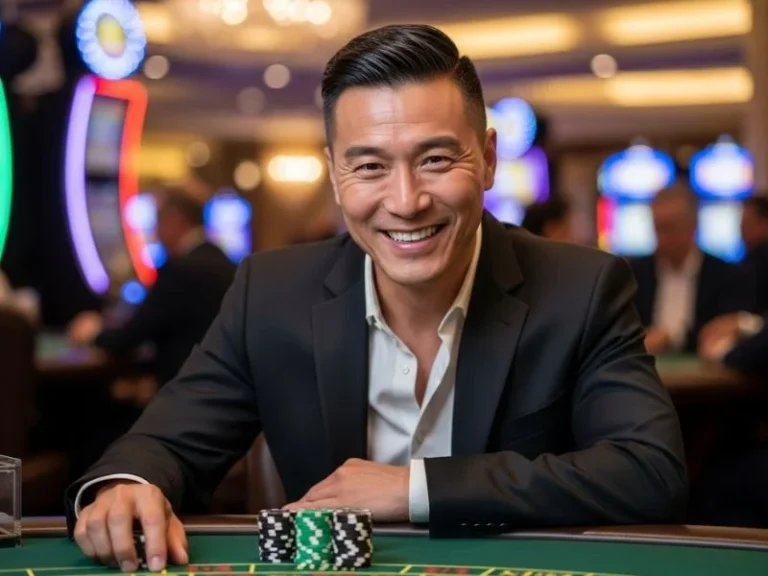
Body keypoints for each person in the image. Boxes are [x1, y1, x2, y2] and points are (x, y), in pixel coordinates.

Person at [66, 24, 687, 573]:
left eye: (436, 159)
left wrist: (413, 489)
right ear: (336, 175)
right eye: (369, 167)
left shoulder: (581, 287)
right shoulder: (271, 293)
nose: (407, 200)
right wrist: (128, 486)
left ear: (488, 159)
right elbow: (164, 443)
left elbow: (650, 470)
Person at [66, 186, 236, 386]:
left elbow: (129, 339)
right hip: (224, 390)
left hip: (185, 393)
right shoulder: (229, 265)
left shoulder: (180, 270)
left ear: (175, 219)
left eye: (158, 220)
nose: (155, 232)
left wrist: (93, 333)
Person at [626, 184, 743, 355]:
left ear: (692, 226)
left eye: (669, 228)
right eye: (657, 228)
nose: (662, 238)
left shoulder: (725, 275)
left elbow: (724, 331)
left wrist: (671, 337)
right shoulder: (634, 274)